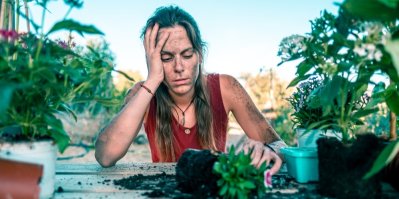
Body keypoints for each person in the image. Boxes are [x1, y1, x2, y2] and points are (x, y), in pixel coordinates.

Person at [95, 5, 286, 175]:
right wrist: (153, 79)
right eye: (167, 58)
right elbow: (105, 156)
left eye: (187, 55)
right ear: (153, 59)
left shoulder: (227, 87)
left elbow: (280, 145)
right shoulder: (143, 93)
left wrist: (267, 149)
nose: (179, 67)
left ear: (200, 54)